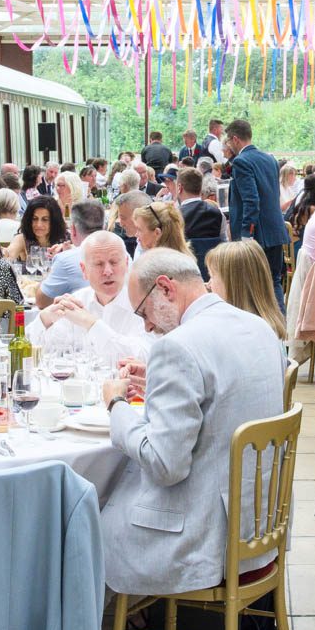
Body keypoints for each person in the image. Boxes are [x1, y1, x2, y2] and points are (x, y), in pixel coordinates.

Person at [97, 248, 285, 596]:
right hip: (256, 525)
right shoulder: (258, 327)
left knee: (79, 515)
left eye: (144, 312)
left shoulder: (178, 347)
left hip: (202, 539)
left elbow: (166, 466)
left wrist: (116, 405)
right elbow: (222, 395)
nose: (148, 325)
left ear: (166, 288)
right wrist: (158, 380)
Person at [31, 231, 153, 362]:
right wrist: (45, 319)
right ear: (84, 270)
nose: (108, 271)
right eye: (99, 264)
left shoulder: (144, 305)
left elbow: (144, 357)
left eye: (114, 262)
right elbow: (41, 350)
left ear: (127, 264)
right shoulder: (77, 301)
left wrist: (91, 323)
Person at [222, 119, 291, 298]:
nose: (229, 146)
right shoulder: (270, 159)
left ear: (235, 139)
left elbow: (251, 200)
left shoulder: (241, 161)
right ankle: (279, 324)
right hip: (275, 231)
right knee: (273, 283)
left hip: (255, 235)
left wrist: (246, 234)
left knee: (251, 288)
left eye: (228, 141)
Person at [206, 240, 289, 341]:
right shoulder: (268, 326)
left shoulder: (238, 335)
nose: (209, 285)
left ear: (232, 285)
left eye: (212, 276)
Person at [37, 200, 106, 309]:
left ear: (73, 229)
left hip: (82, 322)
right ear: (104, 227)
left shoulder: (65, 260)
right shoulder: (124, 254)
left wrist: (53, 266)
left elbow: (41, 302)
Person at [7, 197, 70, 262]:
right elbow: (8, 256)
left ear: (54, 221)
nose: (38, 224)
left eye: (45, 219)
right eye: (34, 219)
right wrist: (5, 253)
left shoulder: (66, 237)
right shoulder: (22, 239)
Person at [176, 168, 225, 245]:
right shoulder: (218, 213)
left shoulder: (174, 216)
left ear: (179, 188)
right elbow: (223, 242)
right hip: (213, 256)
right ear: (200, 187)